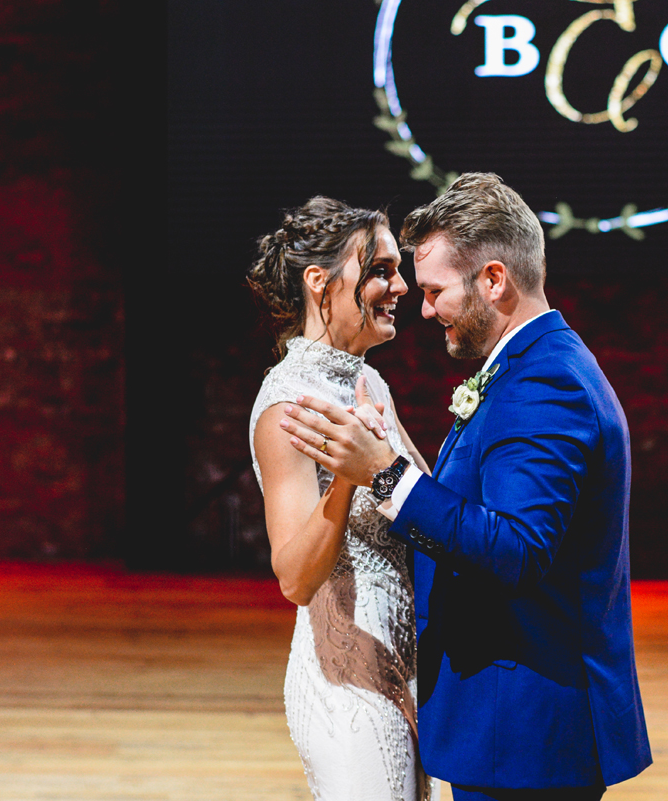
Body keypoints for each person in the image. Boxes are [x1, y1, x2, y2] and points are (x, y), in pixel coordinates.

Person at [279, 173, 652, 799]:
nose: (423, 309)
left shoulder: (543, 385)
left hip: (527, 728)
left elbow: (516, 550)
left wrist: (383, 474)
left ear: (494, 280)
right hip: (509, 724)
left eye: (435, 291)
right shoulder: (527, 368)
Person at [247, 197, 439, 800]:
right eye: (379, 270)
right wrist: (352, 479)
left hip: (401, 675)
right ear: (319, 282)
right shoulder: (288, 407)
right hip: (346, 687)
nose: (401, 285)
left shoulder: (365, 381)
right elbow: (296, 579)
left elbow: (423, 504)